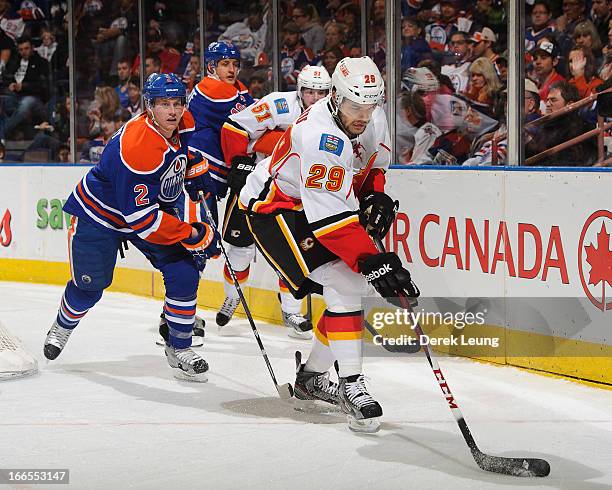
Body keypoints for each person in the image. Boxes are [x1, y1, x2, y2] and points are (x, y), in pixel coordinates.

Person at [239, 56, 419, 432]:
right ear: (335, 96)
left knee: (349, 284)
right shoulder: (321, 135)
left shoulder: (371, 115)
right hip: (274, 208)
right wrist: (375, 262)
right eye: (355, 106)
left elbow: (372, 167)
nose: (363, 114)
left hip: (314, 205)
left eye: (370, 106)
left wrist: (375, 194)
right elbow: (330, 222)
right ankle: (350, 385)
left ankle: (312, 379)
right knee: (348, 280)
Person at [43, 73, 220, 382]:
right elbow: (144, 221)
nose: (173, 111)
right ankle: (62, 325)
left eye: (177, 103)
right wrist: (192, 233)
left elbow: (185, 155)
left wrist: (195, 171)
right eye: (164, 104)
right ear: (149, 106)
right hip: (101, 215)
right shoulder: (139, 148)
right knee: (89, 287)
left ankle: (179, 348)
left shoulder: (184, 122)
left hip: (148, 208)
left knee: (184, 270)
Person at [217, 65, 331, 338]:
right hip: (256, 185)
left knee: (292, 253)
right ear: (299, 90)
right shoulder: (279, 104)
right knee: (239, 250)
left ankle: (291, 310)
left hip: (296, 193)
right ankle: (233, 298)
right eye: (310, 92)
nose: (315, 98)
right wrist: (238, 161)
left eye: (321, 92)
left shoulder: (331, 115)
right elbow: (235, 125)